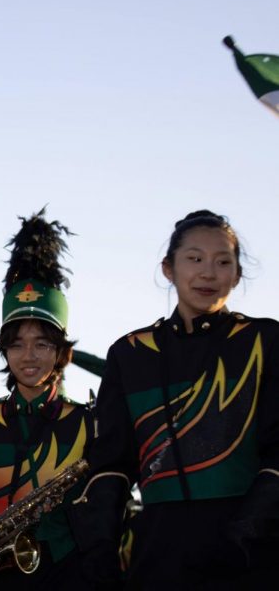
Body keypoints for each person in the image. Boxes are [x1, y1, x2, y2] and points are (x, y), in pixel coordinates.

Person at [71, 210, 279, 590]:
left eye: (223, 262)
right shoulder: (130, 353)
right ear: (168, 269)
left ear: (237, 274)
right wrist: (100, 545)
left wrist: (247, 533)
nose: (208, 273)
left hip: (248, 559)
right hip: (158, 556)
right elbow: (113, 463)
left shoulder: (264, 341)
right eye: (194, 259)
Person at [0, 210, 94, 590]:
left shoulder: (85, 420)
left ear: (61, 353)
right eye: (17, 344)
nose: (29, 356)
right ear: (4, 351)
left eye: (42, 344)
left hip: (65, 569)